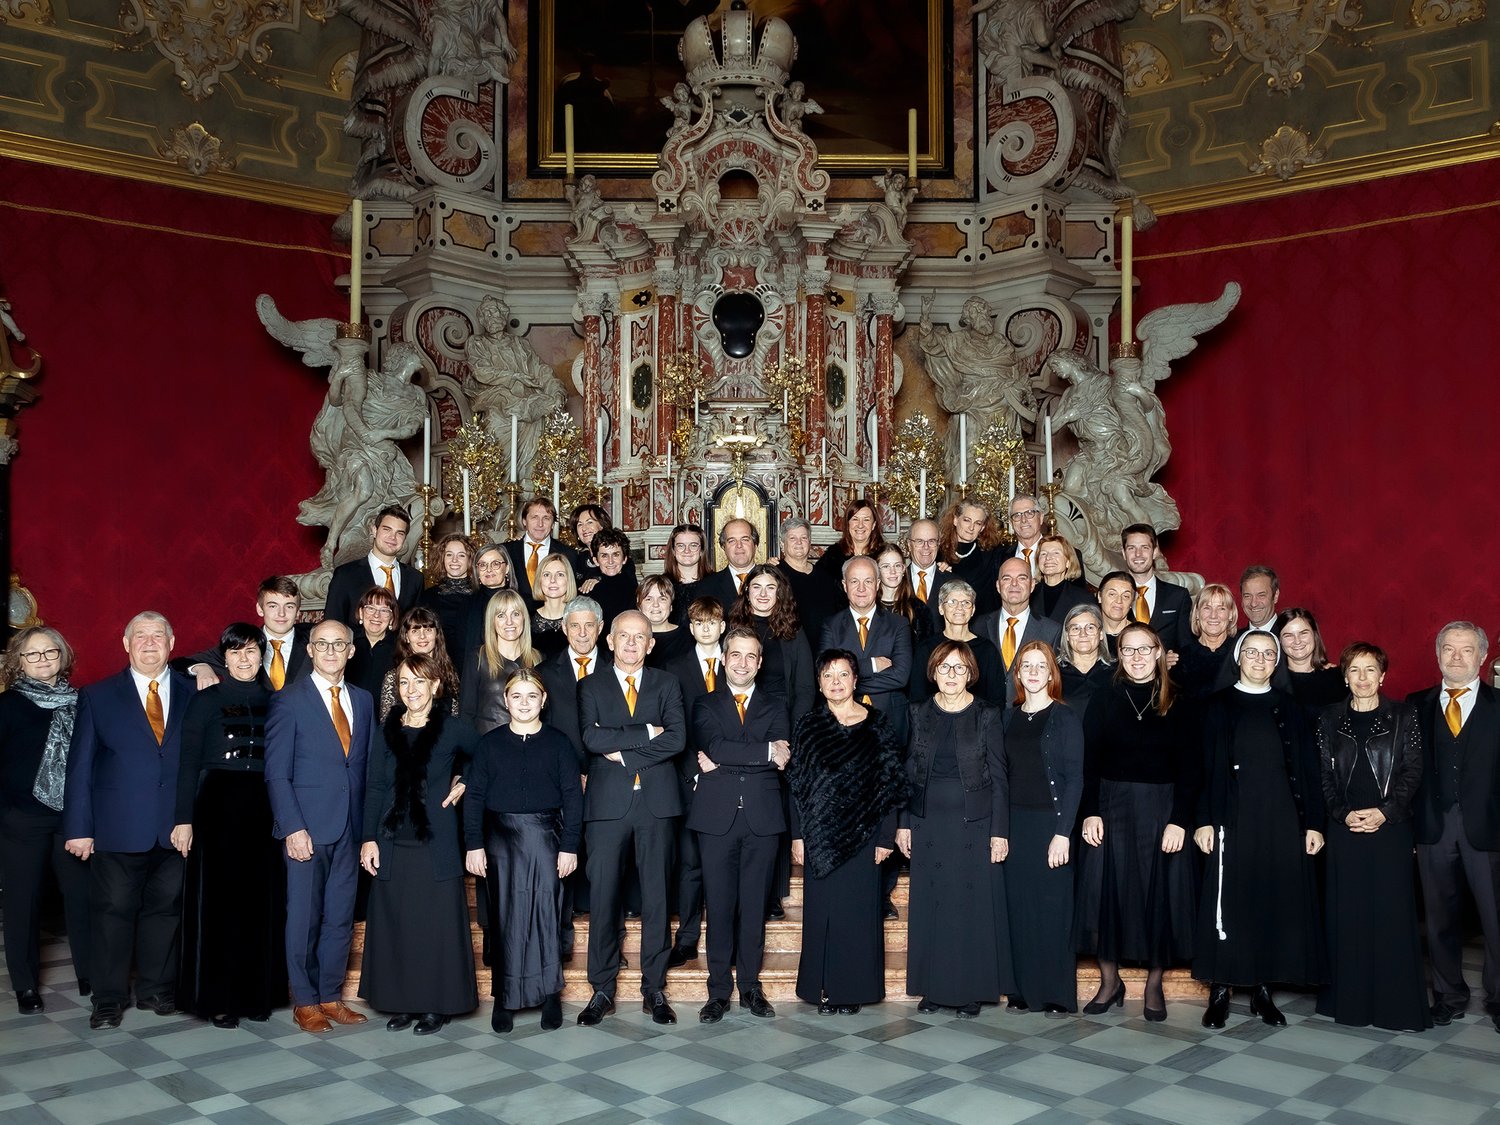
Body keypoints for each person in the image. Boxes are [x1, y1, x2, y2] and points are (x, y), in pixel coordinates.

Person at [63, 612, 196, 1030]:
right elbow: (79, 767)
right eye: (141, 636)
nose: (150, 643)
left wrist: (191, 818)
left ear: (172, 643)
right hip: (118, 828)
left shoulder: (197, 692)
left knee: (166, 911)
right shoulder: (98, 696)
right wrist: (79, 828)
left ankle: (156, 989)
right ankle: (107, 998)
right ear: (126, 643)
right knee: (112, 913)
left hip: (176, 829)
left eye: (159, 635)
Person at [1193, 631, 1324, 1029]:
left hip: (1281, 817)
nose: (1260, 659)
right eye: (1252, 652)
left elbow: (1307, 769)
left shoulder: (1290, 707)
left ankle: (1262, 991)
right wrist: (1203, 819)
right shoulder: (1216, 706)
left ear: (1277, 662)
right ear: (1239, 657)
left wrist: (1313, 823)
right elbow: (1203, 768)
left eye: (1269, 654)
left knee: (1270, 898)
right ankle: (1220, 989)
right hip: (1232, 817)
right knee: (1229, 899)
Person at [1075, 623, 1197, 1022]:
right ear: (1119, 654)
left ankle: (1153, 983)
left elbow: (1191, 769)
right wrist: (1090, 810)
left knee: (1158, 891)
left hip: (1162, 808)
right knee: (1106, 889)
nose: (1138, 657)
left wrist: (1180, 820)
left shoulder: (1178, 699)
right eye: (1129, 650)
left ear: (1159, 652)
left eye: (1146, 649)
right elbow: (1088, 762)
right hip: (1111, 806)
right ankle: (1110, 983)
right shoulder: (1103, 698)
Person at [264, 618, 375, 1034]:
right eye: (322, 644)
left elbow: (363, 768)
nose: (331, 651)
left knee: (340, 917)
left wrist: (368, 832)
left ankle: (330, 995)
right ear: (309, 650)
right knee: (304, 918)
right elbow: (276, 773)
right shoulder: (288, 701)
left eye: (339, 644)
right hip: (306, 829)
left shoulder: (363, 701)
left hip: (351, 827)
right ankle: (306, 1001)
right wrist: (292, 827)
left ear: (351, 651)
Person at [576, 610, 687, 1026]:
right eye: (624, 636)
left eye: (640, 637)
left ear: (651, 643)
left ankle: (654, 987)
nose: (631, 643)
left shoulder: (668, 684)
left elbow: (676, 738)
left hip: (656, 805)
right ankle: (602, 987)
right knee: (604, 897)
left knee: (657, 897)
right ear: (609, 640)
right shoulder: (591, 685)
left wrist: (620, 749)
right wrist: (646, 732)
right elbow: (591, 737)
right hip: (607, 807)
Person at [173, 624, 285, 1029]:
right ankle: (217, 997)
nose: (244, 659)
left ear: (262, 655)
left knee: (261, 902)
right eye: (236, 652)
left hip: (265, 807)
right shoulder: (206, 701)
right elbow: (187, 763)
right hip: (217, 806)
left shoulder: (279, 701)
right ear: (224, 658)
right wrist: (182, 819)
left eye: (252, 651)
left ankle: (257, 994)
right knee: (219, 905)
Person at [358, 655, 476, 1035]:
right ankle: (403, 1003)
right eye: (405, 683)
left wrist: (464, 781)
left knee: (435, 928)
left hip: (435, 844)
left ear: (435, 687)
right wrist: (367, 839)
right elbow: (375, 786)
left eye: (420, 682)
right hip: (393, 841)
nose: (412, 690)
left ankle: (434, 1006)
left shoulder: (454, 728)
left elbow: (487, 755)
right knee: (398, 927)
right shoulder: (385, 731)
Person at [1315, 643, 1430, 1031]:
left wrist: (1384, 813)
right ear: (1344, 676)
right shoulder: (1328, 718)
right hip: (1345, 830)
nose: (1362, 678)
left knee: (1390, 916)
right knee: (1347, 917)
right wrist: (1343, 814)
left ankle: (1394, 1007)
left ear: (1383, 676)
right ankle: (1349, 1004)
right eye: (1354, 671)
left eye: (1370, 670)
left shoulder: (1404, 715)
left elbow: (1413, 772)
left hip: (1390, 830)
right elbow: (1324, 777)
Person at [789, 650, 907, 1014]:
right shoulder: (809, 726)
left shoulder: (878, 723)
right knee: (822, 915)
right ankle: (822, 990)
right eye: (828, 675)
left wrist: (887, 837)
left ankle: (853, 991)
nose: (836, 682)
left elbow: (892, 784)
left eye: (843, 674)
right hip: (819, 836)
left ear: (856, 680)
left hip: (865, 835)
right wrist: (798, 837)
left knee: (858, 916)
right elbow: (796, 786)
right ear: (820, 682)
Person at [465, 670, 583, 1032]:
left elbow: (573, 798)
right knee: (504, 919)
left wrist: (569, 847)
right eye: (517, 696)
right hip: (500, 842)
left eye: (532, 696)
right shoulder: (489, 744)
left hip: (547, 838)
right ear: (506, 700)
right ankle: (505, 998)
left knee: (547, 916)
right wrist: (473, 844)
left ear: (543, 701)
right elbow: (474, 797)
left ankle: (550, 996)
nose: (524, 703)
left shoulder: (559, 743)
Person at [897, 641, 1009, 1017]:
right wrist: (903, 824)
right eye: (944, 667)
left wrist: (999, 831)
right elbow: (905, 772)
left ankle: (970, 991)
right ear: (933, 671)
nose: (951, 675)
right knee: (931, 906)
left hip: (973, 825)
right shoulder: (917, 712)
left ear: (971, 674)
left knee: (969, 908)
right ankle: (931, 988)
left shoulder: (987, 714)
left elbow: (999, 776)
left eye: (960, 668)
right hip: (926, 822)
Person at [690, 628, 791, 1022]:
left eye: (751, 656)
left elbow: (782, 759)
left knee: (753, 908)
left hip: (762, 818)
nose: (743, 663)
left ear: (760, 662)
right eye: (736, 655)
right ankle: (718, 991)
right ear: (724, 658)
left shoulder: (776, 704)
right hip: (716, 818)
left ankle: (750, 987)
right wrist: (764, 750)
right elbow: (715, 746)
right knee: (718, 906)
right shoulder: (704, 704)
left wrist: (727, 760)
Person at [1409, 622, 1500, 1029]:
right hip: (1433, 828)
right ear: (1438, 654)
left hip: (1489, 829)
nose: (1457, 657)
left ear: (1482, 657)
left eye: (1467, 650)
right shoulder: (1415, 706)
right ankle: (1448, 996)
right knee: (1439, 918)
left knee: (1496, 919)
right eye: (1449, 649)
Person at [0, 627, 90, 1014]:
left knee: (84, 898)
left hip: (72, 817)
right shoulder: (7, 705)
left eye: (49, 652)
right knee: (23, 903)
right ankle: (25, 986)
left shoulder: (82, 702)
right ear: (18, 661)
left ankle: (91, 973)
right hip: (22, 819)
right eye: (32, 655)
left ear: (63, 656)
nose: (42, 661)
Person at [1001, 641, 1085, 1015]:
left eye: (1041, 666)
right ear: (1017, 674)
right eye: (1026, 666)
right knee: (1017, 909)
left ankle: (1055, 994)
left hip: (1050, 825)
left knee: (1053, 910)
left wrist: (1063, 833)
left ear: (1052, 674)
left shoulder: (1065, 717)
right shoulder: (1007, 716)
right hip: (1014, 824)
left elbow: (1075, 779)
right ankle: (1021, 992)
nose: (1033, 672)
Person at [662, 596, 728, 967]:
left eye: (712, 622)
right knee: (690, 864)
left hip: (732, 778)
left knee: (722, 865)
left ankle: (724, 937)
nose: (706, 629)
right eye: (699, 623)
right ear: (691, 628)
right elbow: (675, 727)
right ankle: (686, 938)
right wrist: (694, 770)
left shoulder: (737, 663)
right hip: (688, 777)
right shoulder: (675, 669)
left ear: (722, 626)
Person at [820, 556, 913, 745]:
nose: (861, 588)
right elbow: (825, 674)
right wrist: (871, 665)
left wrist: (845, 681)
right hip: (841, 722)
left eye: (868, 581)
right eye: (854, 581)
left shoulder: (899, 624)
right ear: (845, 585)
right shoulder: (830, 626)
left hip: (891, 721)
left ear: (878, 584)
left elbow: (901, 676)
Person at [179, 576, 310, 690]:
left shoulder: (316, 639)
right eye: (273, 606)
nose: (281, 613)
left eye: (289, 606)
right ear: (260, 609)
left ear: (298, 612)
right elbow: (179, 664)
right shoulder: (239, 644)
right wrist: (202, 668)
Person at [727, 564, 816, 720]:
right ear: (747, 591)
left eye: (770, 587)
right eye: (756, 587)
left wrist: (795, 729)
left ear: (780, 593)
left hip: (782, 714)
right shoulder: (732, 627)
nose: (763, 594)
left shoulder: (793, 630)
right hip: (739, 712)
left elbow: (805, 688)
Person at [975, 557, 1062, 704]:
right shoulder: (979, 625)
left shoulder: (1052, 631)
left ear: (1032, 585)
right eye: (1007, 578)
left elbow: (1055, 683)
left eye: (1022, 578)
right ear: (998, 586)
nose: (1014, 584)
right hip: (985, 716)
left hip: (1029, 718)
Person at [324, 505, 423, 627]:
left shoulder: (415, 578)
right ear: (374, 531)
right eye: (387, 529)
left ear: (404, 538)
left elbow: (416, 626)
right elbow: (332, 623)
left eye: (400, 533)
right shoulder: (345, 574)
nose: (393, 537)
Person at [910, 578, 1004, 705]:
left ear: (973, 610)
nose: (959, 607)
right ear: (941, 608)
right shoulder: (926, 648)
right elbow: (917, 697)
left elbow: (996, 700)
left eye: (966, 603)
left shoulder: (987, 650)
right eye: (952, 602)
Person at [460, 588, 540, 735]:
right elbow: (466, 713)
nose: (509, 622)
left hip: (530, 747)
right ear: (492, 621)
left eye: (516, 614)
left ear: (524, 618)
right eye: (501, 615)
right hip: (487, 744)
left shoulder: (538, 659)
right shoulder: (478, 658)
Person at [377, 606, 460, 721]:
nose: (422, 636)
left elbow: (455, 718)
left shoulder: (449, 673)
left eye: (428, 630)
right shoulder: (393, 677)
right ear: (406, 637)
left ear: (437, 635)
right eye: (415, 631)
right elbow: (386, 725)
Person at [1119, 524, 1191, 653]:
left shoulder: (1178, 596)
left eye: (1145, 547)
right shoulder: (1112, 599)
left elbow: (1186, 647)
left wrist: (1170, 662)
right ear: (1124, 553)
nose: (1138, 554)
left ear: (1155, 551)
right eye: (1131, 548)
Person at [505, 498, 575, 612]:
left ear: (553, 523)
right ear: (524, 521)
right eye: (534, 517)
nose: (540, 524)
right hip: (513, 619)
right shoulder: (506, 551)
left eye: (546, 518)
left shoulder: (569, 554)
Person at [775, 516, 837, 643]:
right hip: (789, 648)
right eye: (792, 538)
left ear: (809, 542)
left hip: (823, 649)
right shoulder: (775, 576)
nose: (799, 542)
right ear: (782, 544)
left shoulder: (825, 577)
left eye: (803, 538)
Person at [418, 534, 474, 671]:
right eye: (449, 555)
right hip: (437, 668)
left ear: (470, 560)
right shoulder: (427, 597)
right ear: (442, 558)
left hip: (472, 668)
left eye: (461, 555)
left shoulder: (481, 596)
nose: (454, 560)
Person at [938, 499, 1003, 615]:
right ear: (955, 520)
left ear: (982, 527)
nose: (971, 527)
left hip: (984, 624)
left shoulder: (993, 554)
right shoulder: (938, 553)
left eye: (978, 523)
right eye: (967, 520)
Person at [1175, 583, 1239, 698]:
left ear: (1230, 614)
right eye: (1207, 608)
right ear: (1197, 613)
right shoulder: (1180, 659)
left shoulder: (1241, 653)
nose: (1213, 616)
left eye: (1221, 608)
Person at [1277, 608, 1344, 710]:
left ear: (1314, 635)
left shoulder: (1339, 678)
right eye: (1288, 635)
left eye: (1303, 633)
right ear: (1279, 641)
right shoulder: (1273, 683)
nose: (1297, 641)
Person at [813, 498, 887, 590]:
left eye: (866, 520)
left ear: (873, 525)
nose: (860, 525)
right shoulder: (833, 556)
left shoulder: (884, 555)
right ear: (848, 524)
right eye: (855, 519)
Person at [695, 517, 760, 614]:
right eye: (732, 541)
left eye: (745, 539)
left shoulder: (774, 581)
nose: (739, 545)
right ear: (723, 547)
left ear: (755, 544)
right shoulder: (707, 586)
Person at [1057, 604, 1113, 713]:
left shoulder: (1117, 673)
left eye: (1090, 627)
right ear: (1067, 635)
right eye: (1075, 628)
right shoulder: (1053, 673)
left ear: (1101, 633)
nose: (1083, 634)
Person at [346, 586, 399, 698]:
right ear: (361, 613)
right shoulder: (346, 645)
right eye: (371, 608)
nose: (376, 615)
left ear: (392, 618)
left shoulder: (401, 649)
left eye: (384, 610)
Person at [1031, 535, 1093, 623]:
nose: (1048, 558)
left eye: (1056, 553)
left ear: (1068, 562)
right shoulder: (1029, 595)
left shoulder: (1083, 598)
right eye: (1043, 554)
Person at [876, 544, 931, 643]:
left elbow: (925, 649)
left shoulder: (919, 609)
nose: (893, 572)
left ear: (903, 570)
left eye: (897, 565)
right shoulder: (868, 607)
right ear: (876, 571)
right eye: (886, 566)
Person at [586, 527, 638, 628]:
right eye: (604, 556)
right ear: (596, 560)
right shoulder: (588, 591)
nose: (610, 561)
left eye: (615, 555)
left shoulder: (635, 591)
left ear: (624, 559)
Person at [530, 553, 579, 660]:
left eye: (560, 574)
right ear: (539, 580)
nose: (553, 580)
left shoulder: (580, 619)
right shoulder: (526, 619)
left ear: (568, 580)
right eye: (546, 575)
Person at [639, 574, 692, 666]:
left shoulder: (689, 638)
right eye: (648, 599)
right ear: (639, 605)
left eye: (662, 599)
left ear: (671, 605)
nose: (656, 604)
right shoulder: (630, 639)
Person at [663, 522, 709, 619]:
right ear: (673, 551)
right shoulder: (662, 585)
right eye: (680, 546)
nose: (687, 551)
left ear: (701, 550)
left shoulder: (715, 583)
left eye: (693, 545)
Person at [999, 495, 1046, 576]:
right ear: (1011, 523)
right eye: (1017, 515)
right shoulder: (998, 558)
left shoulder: (1061, 553)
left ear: (1041, 518)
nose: (1023, 520)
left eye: (1029, 513)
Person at [1095, 570, 1136, 659]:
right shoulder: (1088, 634)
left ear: (1131, 602)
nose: (1119, 601)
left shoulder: (1141, 635)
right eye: (1112, 594)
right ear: (1099, 596)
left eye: (1126, 596)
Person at [1239, 564, 1280, 633]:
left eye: (1261, 595)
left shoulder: (1291, 638)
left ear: (1275, 595)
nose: (1253, 604)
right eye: (1247, 596)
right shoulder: (1233, 641)